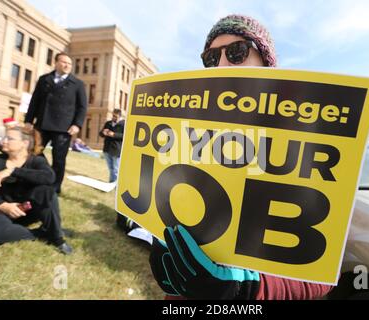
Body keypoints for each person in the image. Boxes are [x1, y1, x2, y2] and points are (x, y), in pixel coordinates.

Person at [149, 14, 334, 300]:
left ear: (268, 65)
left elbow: (320, 278)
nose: (221, 65)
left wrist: (246, 288)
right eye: (211, 58)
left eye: (237, 52)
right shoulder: (185, 133)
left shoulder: (306, 143)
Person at [0, 126, 73, 254]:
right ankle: (43, 233)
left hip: (27, 211)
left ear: (24, 143)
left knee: (46, 191)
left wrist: (13, 171)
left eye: (9, 138)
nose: (3, 141)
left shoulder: (37, 161)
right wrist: (2, 205)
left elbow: (49, 177)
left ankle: (56, 238)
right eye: (4, 137)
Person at [24, 52, 87, 194]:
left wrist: (77, 124)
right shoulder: (44, 79)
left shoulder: (77, 84)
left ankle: (54, 187)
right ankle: (36, 178)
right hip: (42, 125)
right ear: (56, 63)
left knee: (59, 159)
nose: (67, 65)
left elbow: (82, 107)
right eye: (64, 62)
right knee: (34, 153)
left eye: (69, 64)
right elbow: (34, 101)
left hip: (63, 128)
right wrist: (28, 120)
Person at [99, 109, 125, 183]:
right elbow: (100, 134)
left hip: (116, 150)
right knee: (110, 168)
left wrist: (114, 135)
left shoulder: (123, 124)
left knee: (116, 169)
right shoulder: (108, 123)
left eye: (115, 116)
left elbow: (125, 136)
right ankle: (111, 182)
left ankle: (116, 185)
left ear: (120, 116)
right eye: (113, 115)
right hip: (107, 149)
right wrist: (103, 132)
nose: (113, 117)